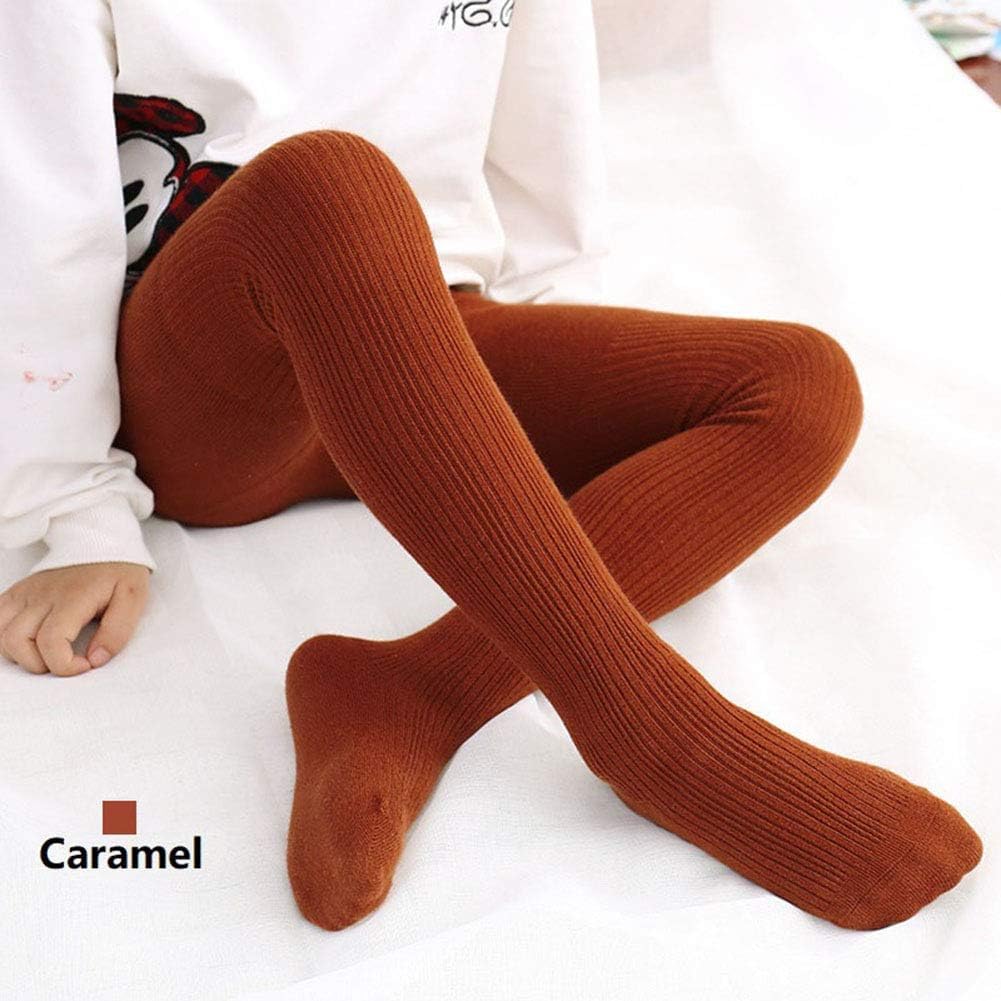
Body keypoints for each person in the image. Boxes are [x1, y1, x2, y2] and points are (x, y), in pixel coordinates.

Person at [0, 0, 981, 933]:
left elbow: (541, 146)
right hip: (211, 385)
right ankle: (649, 727)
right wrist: (77, 504)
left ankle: (416, 688)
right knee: (324, 178)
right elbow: (40, 224)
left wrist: (521, 395)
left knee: (798, 386)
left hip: (417, 325)